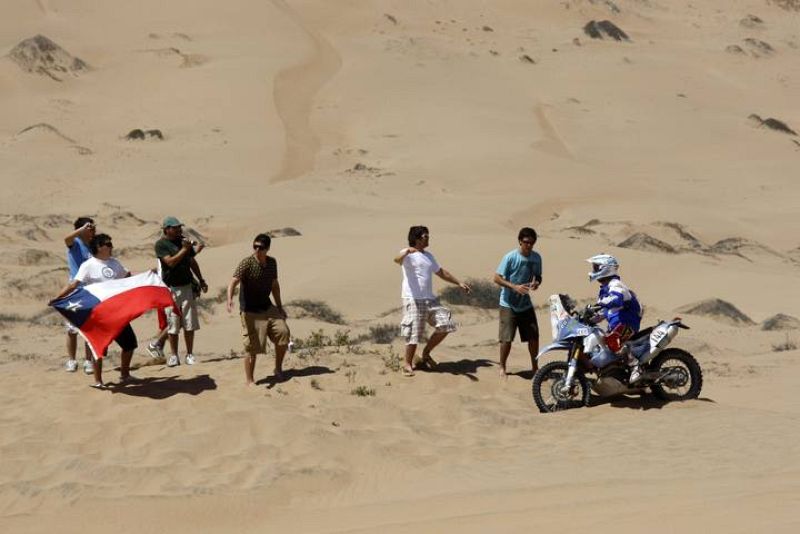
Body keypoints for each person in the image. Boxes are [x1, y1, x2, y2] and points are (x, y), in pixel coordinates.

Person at [52, 234, 139, 388]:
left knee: (130, 344)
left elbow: (127, 276)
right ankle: (98, 381)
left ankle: (125, 375)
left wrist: (144, 279)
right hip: (98, 313)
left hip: (117, 312)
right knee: (99, 347)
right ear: (99, 247)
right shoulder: (88, 265)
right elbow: (74, 284)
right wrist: (58, 298)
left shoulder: (115, 263)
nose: (111, 246)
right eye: (108, 244)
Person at [394, 226, 470, 377]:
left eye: (428, 236)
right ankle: (407, 364)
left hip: (430, 298)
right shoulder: (407, 253)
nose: (428, 238)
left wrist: (458, 282)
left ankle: (426, 353)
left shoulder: (428, 256)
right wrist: (407, 252)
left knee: (446, 324)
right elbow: (396, 260)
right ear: (417, 239)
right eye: (425, 236)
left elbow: (441, 272)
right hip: (413, 298)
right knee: (414, 332)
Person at [226, 234, 290, 385]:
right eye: (254, 246)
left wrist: (280, 307)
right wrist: (229, 299)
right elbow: (233, 281)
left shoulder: (272, 263)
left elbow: (274, 285)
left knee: (283, 334)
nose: (256, 250)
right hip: (250, 310)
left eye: (260, 247)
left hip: (267, 307)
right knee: (252, 347)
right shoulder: (247, 263)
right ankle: (250, 380)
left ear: (267, 249)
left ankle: (278, 369)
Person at [154, 216, 207, 367]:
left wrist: (201, 280)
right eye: (175, 227)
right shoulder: (161, 245)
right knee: (173, 324)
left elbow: (191, 261)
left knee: (189, 323)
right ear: (167, 229)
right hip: (171, 289)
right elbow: (170, 262)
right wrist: (185, 249)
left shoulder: (183, 241)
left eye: (179, 227)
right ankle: (174, 355)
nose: (179, 230)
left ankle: (190, 354)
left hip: (186, 287)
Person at [493, 227, 542, 377]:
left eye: (532, 242)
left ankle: (535, 367)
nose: (529, 245)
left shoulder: (536, 257)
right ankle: (502, 366)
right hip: (508, 303)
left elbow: (538, 276)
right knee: (506, 338)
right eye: (526, 242)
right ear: (520, 241)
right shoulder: (510, 257)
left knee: (533, 336)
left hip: (525, 303)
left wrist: (536, 283)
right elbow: (496, 278)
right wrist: (514, 287)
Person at [586, 253, 643, 382]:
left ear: (605, 268)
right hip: (616, 325)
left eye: (596, 267)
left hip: (628, 323)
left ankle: (635, 366)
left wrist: (599, 304)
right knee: (601, 344)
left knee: (612, 340)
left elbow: (616, 298)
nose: (593, 271)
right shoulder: (605, 289)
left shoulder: (615, 284)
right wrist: (589, 319)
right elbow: (603, 312)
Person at [146, 242, 204, 359]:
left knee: (171, 323)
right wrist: (190, 249)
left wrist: (194, 250)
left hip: (169, 289)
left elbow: (183, 260)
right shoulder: (165, 251)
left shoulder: (170, 253)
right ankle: (155, 344)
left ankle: (158, 347)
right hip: (168, 291)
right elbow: (174, 261)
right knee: (177, 321)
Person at [63, 217, 95, 374]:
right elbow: (66, 238)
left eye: (93, 228)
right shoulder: (75, 243)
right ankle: (72, 360)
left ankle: (88, 361)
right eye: (90, 228)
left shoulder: (94, 245)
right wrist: (81, 231)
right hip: (75, 291)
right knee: (71, 329)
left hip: (92, 290)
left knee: (89, 328)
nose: (93, 231)